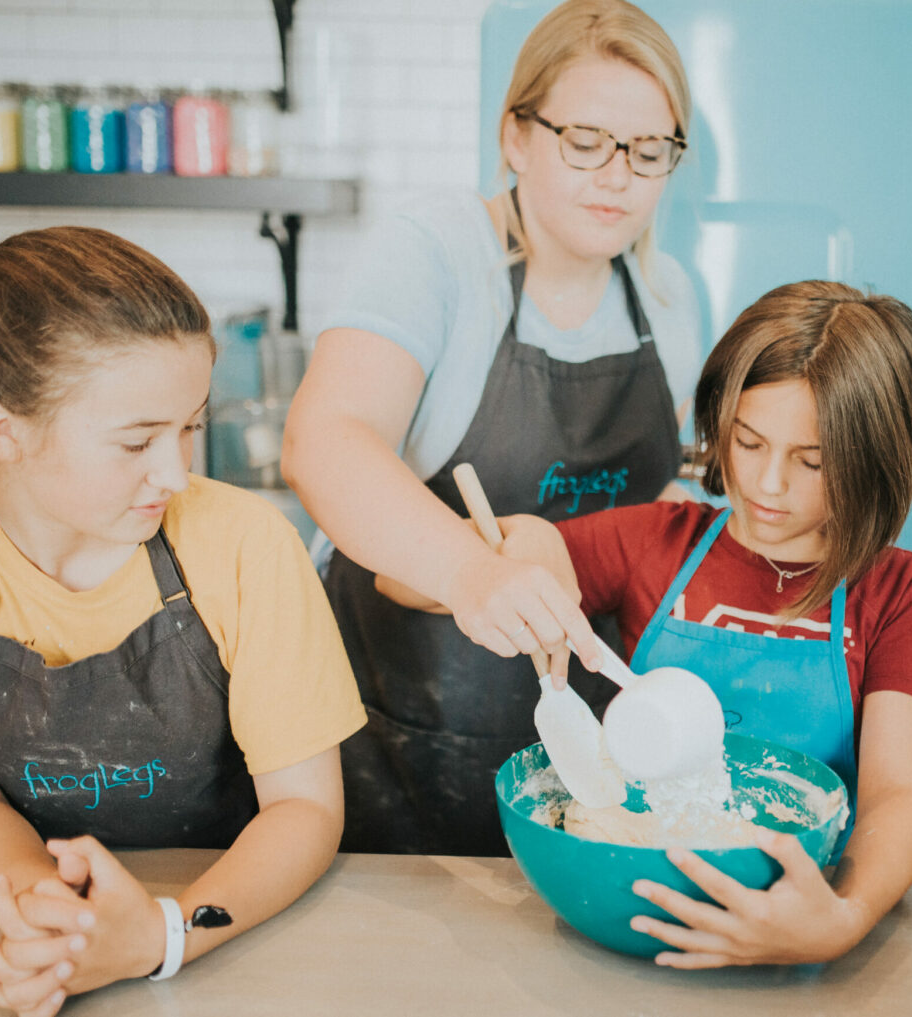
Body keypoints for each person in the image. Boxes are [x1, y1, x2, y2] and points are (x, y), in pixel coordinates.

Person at [0, 227, 367, 1015]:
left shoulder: (246, 543)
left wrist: (162, 934)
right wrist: (54, 923)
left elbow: (305, 807)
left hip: (228, 935)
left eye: (190, 425)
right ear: (4, 431)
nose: (177, 472)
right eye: (137, 440)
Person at [282, 0, 702, 856]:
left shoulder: (671, 298)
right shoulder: (437, 250)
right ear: (516, 137)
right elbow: (324, 439)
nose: (618, 175)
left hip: (582, 731)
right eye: (585, 140)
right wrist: (473, 572)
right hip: (406, 711)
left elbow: (657, 504)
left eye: (649, 151)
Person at [492, 280, 912, 965]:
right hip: (632, 902)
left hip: (797, 917)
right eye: (749, 441)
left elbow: (897, 795)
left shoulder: (898, 590)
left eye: (812, 461)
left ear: (871, 459)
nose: (767, 484)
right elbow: (411, 579)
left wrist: (842, 917)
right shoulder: (655, 541)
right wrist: (503, 558)